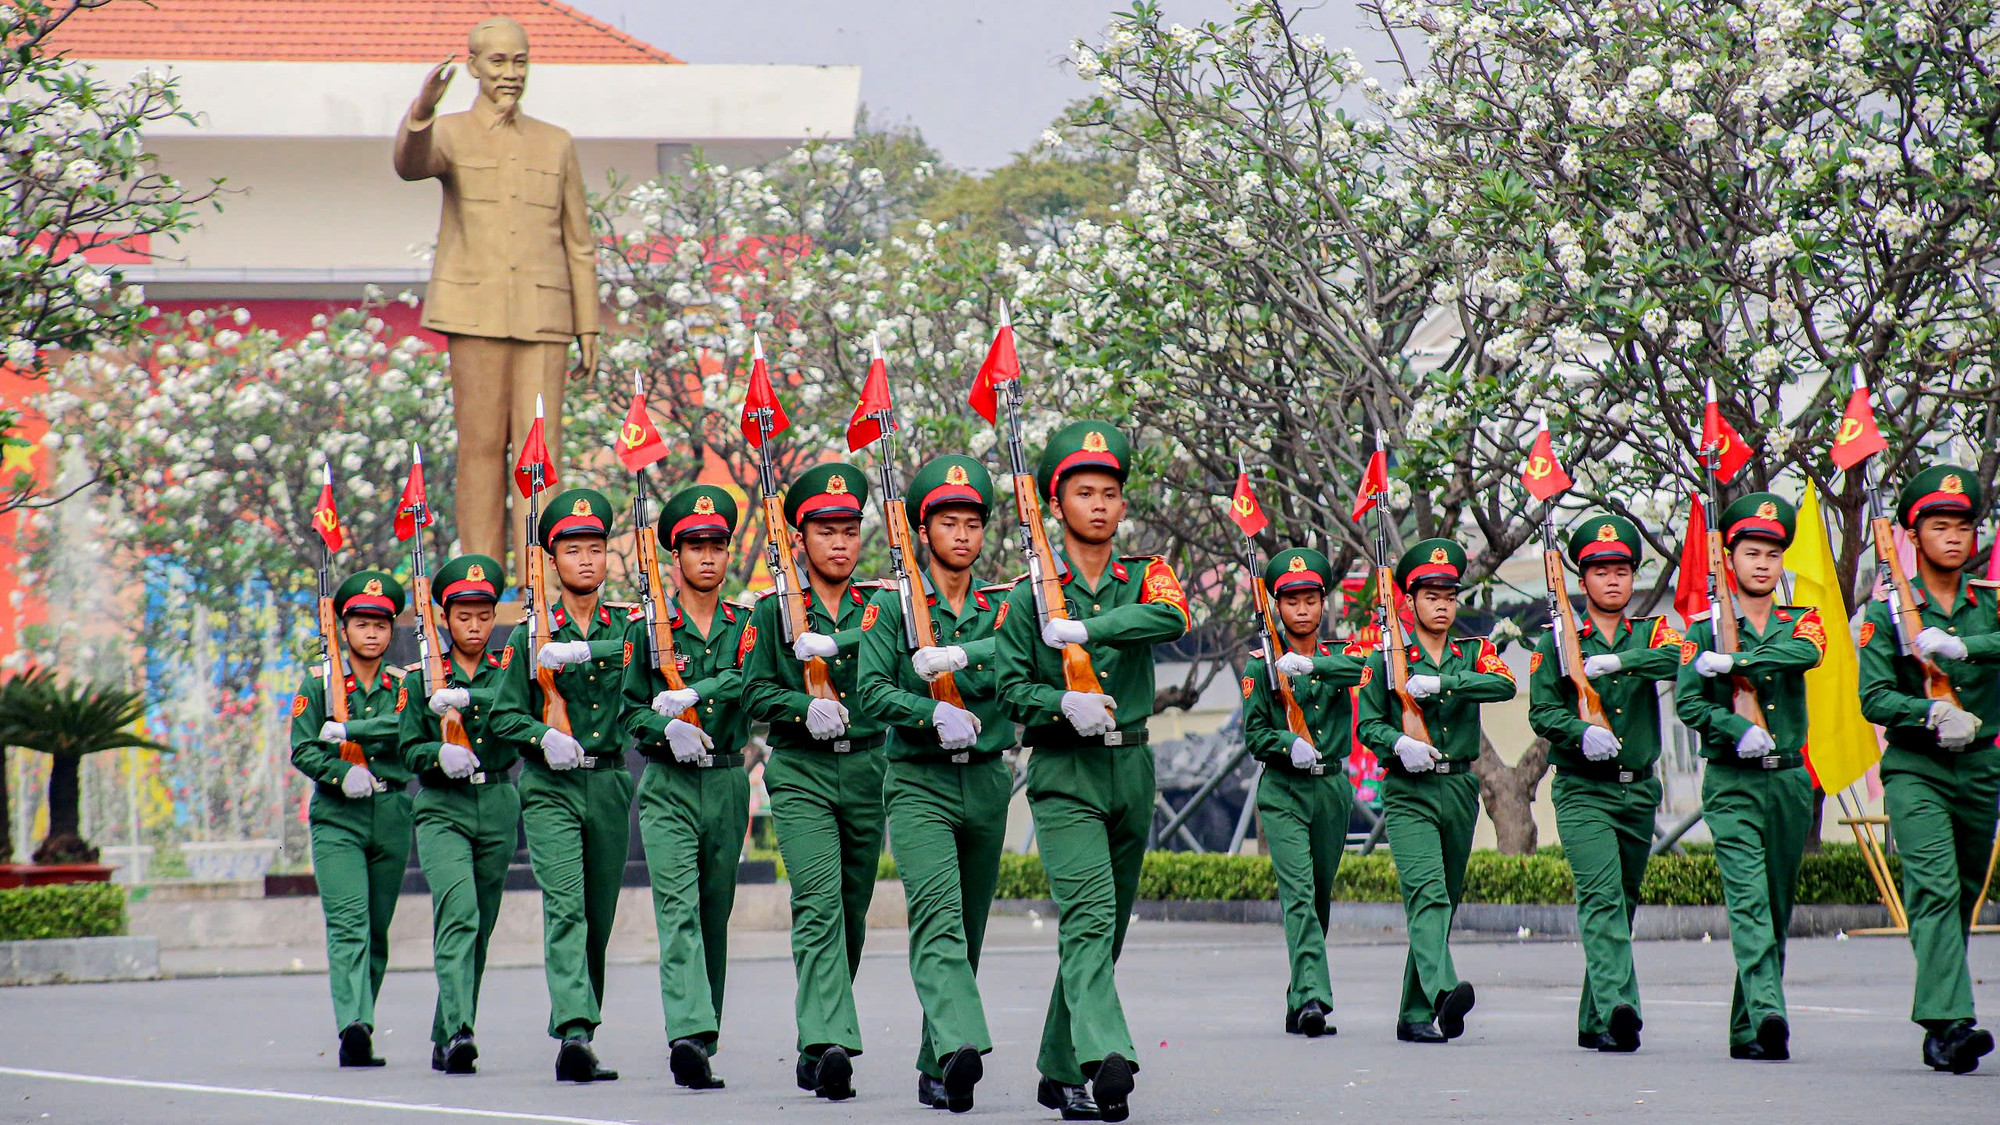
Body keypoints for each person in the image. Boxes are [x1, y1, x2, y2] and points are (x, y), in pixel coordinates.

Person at [995, 421, 1190, 1123]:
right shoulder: (1027, 596)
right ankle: (1101, 1057)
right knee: (1089, 915)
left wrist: (1090, 630)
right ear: (1057, 502)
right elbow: (1008, 686)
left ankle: (1055, 1064)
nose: (1101, 504)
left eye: (1110, 491)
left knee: (1104, 932)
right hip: (1065, 771)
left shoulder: (1145, 574)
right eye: (1084, 492)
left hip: (1132, 763)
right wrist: (1059, 701)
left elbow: (1173, 616)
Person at [392, 16, 598, 577]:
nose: (510, 73)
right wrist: (422, 110)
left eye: (520, 61)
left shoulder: (555, 142)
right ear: (475, 66)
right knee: (481, 451)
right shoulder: (450, 132)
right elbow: (410, 166)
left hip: (545, 313)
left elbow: (579, 243)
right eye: (499, 62)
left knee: (540, 453)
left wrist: (589, 328)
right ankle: (479, 582)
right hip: (475, 311)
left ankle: (543, 582)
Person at [856, 455, 1014, 1113]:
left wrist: (964, 658)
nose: (962, 535)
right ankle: (961, 1046)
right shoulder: (890, 607)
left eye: (973, 523)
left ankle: (935, 1062)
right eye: (949, 522)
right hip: (918, 780)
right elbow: (869, 690)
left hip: (986, 780)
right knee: (939, 917)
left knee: (970, 928)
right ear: (924, 531)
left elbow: (1018, 661)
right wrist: (930, 710)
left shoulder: (1003, 608)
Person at [740, 463, 886, 1101]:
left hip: (867, 768)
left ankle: (816, 1033)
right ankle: (829, 1040)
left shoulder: (881, 607)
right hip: (799, 770)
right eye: (825, 530)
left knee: (852, 913)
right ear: (799, 538)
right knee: (819, 902)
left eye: (849, 529)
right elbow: (753, 689)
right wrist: (803, 708)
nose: (840, 542)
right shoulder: (774, 611)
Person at [1857, 466, 1999, 1075]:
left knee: (1965, 891)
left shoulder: (1989, 607)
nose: (1953, 538)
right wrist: (1929, 711)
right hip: (1917, 768)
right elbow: (1873, 697)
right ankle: (1950, 1022)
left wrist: (1967, 647)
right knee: (1936, 887)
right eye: (1938, 526)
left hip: (1981, 767)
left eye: (1963, 527)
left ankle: (1943, 1013)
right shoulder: (1887, 611)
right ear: (1913, 537)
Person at [1675, 492, 1826, 1061]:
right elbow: (1690, 703)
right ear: (1729, 559)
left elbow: (1804, 656)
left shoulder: (1800, 623)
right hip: (1734, 782)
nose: (1762, 563)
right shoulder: (1702, 628)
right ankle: (1768, 1010)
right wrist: (1734, 728)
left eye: (1772, 553)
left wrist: (1736, 663)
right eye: (1751, 552)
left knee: (1777, 903)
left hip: (1788, 780)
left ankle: (1748, 1029)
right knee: (1748, 900)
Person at [1526, 515, 1683, 1053]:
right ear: (1583, 578)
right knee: (1599, 897)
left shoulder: (1652, 632)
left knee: (1624, 900)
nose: (1612, 580)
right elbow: (1542, 712)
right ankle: (1621, 1007)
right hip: (1583, 790)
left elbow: (1678, 658)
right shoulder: (1556, 642)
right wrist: (1578, 730)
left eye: (1621, 569)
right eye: (1599, 570)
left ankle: (1594, 1019)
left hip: (1637, 789)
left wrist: (1621, 661)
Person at [491, 488, 631, 1083]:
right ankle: (573, 1028)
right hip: (550, 787)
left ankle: (584, 1028)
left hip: (608, 784)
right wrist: (540, 735)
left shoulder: (626, 625)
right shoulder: (529, 635)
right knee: (567, 906)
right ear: (552, 559)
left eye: (595, 548)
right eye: (573, 550)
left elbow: (636, 654)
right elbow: (501, 717)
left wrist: (581, 651)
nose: (586, 560)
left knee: (598, 916)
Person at [1354, 538, 1517, 1045]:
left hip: (1460, 785)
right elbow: (1368, 726)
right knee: (1426, 894)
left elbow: (1504, 685)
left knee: (1442, 900)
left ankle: (1413, 1013)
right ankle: (1446, 990)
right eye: (1431, 595)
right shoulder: (1387, 655)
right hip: (1409, 789)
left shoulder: (1474, 651)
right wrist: (1400, 742)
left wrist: (1442, 684)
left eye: (1450, 595)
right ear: (1411, 600)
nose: (1442, 605)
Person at [620, 484, 753, 1091]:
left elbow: (750, 683)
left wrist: (699, 697)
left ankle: (706, 1033)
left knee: (713, 913)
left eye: (716, 545)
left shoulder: (747, 625)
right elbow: (627, 711)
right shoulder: (645, 629)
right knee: (678, 910)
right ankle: (687, 1033)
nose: (706, 556)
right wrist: (663, 726)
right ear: (674, 557)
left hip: (727, 779)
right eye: (694, 546)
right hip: (669, 784)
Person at [1239, 548, 1366, 1039]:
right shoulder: (1259, 666)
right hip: (1284, 790)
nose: (1303, 610)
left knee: (1319, 896)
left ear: (1322, 603)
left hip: (1331, 787)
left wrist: (1312, 669)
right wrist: (1286, 742)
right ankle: (1314, 997)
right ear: (1277, 606)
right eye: (1292, 601)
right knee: (1298, 894)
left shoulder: (1341, 657)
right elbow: (1255, 734)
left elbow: (1369, 674)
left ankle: (1298, 995)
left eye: (1310, 599)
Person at [398, 554, 516, 1075]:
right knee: (460, 913)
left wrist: (467, 699)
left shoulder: (507, 669)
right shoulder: (419, 677)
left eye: (484, 615)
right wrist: (436, 753)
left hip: (496, 801)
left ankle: (446, 1028)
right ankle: (463, 1029)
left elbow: (519, 713)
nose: (474, 625)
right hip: (442, 806)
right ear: (444, 617)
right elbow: (406, 749)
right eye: (463, 615)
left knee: (481, 925)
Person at [288, 570, 412, 1068]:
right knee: (349, 924)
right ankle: (354, 1025)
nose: (372, 633)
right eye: (362, 623)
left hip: (391, 811)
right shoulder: (318, 683)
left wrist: (356, 733)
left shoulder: (403, 685)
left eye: (381, 624)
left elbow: (406, 729)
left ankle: (364, 1016)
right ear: (344, 628)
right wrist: (341, 772)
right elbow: (303, 747)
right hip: (339, 816)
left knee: (377, 929)